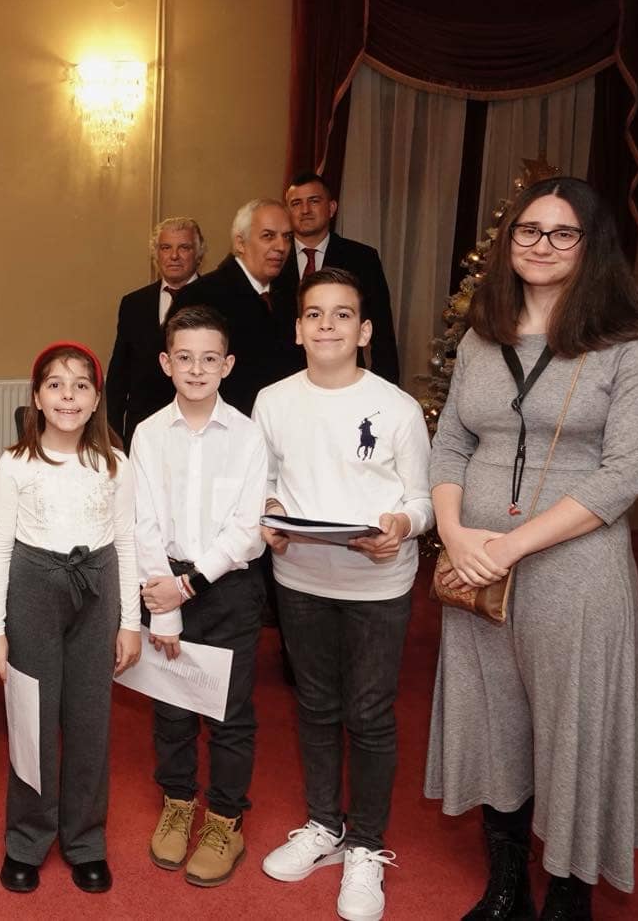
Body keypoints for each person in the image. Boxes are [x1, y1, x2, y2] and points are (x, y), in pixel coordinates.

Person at [427, 177, 638, 919]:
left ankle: (569, 890)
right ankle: (507, 885)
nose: (541, 245)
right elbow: (449, 443)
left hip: (575, 568)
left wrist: (511, 546)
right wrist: (455, 534)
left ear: (592, 245)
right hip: (475, 562)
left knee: (574, 727)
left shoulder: (631, 344)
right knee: (490, 715)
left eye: (563, 233)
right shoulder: (482, 335)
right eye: (528, 230)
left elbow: (623, 474)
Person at [252, 267, 433, 921]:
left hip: (378, 584)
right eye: (314, 314)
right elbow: (262, 481)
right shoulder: (272, 401)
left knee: (371, 712)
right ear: (298, 330)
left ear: (365, 330)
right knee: (316, 705)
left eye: (342, 314)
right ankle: (325, 825)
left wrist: (401, 525)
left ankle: (365, 845)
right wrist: (270, 512)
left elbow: (422, 500)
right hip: (301, 579)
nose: (327, 324)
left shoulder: (397, 407)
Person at [0, 342, 140, 895]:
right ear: (36, 397)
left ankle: (85, 840)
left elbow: (127, 541)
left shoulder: (116, 464)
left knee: (90, 719)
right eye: (55, 385)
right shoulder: (15, 464)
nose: (67, 396)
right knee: (32, 718)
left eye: (80, 386)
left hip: (97, 590)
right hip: (32, 590)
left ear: (96, 399)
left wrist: (130, 621)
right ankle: (26, 839)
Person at [133, 305, 268, 888]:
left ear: (227, 365)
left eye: (208, 358)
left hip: (226, 588)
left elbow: (247, 528)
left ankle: (225, 820)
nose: (196, 369)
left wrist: (188, 586)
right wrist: (164, 602)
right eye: (184, 357)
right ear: (166, 363)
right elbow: (141, 521)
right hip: (163, 583)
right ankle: (178, 801)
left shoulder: (247, 435)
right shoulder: (147, 433)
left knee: (230, 712)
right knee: (172, 707)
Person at [168, 199, 302, 416]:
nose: (281, 247)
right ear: (240, 243)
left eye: (287, 237)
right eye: (268, 236)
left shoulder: (291, 297)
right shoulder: (200, 296)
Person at [279, 173, 399, 384]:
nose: (305, 210)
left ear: (332, 208)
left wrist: (384, 388)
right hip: (283, 382)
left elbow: (382, 331)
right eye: (296, 204)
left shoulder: (362, 258)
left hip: (346, 381)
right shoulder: (274, 258)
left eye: (314, 201)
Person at [106, 216, 205, 447]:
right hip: (141, 431)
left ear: (198, 254)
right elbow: (119, 375)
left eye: (184, 247)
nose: (174, 256)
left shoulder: (217, 299)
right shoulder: (133, 303)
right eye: (165, 247)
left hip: (197, 429)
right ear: (156, 255)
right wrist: (113, 436)